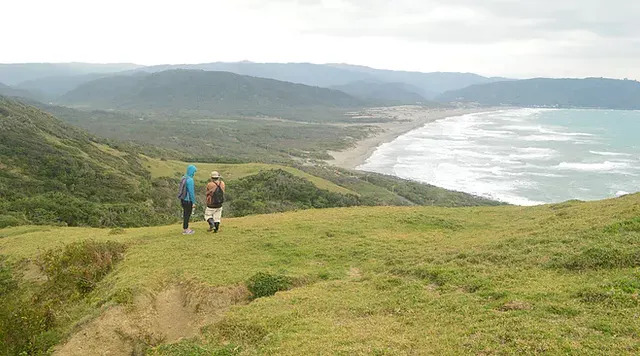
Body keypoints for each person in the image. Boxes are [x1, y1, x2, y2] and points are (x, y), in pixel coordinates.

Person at [178, 164, 197, 235]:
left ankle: (185, 228)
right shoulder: (190, 180)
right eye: (194, 172)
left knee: (185, 214)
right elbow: (191, 193)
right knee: (187, 215)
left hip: (182, 199)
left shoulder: (183, 178)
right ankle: (186, 229)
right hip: (188, 200)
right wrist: (194, 202)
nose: (194, 173)